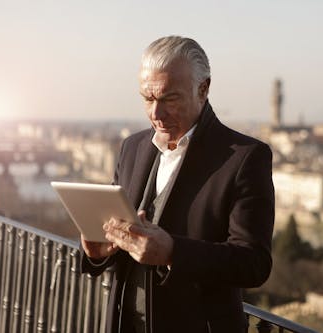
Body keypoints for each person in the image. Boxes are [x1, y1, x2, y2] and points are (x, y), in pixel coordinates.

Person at [80, 36, 275, 333]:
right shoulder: (132, 147)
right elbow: (119, 236)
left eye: (169, 98)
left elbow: (254, 263)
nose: (156, 114)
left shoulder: (245, 158)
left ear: (203, 89)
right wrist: (96, 252)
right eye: (147, 98)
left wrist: (174, 252)